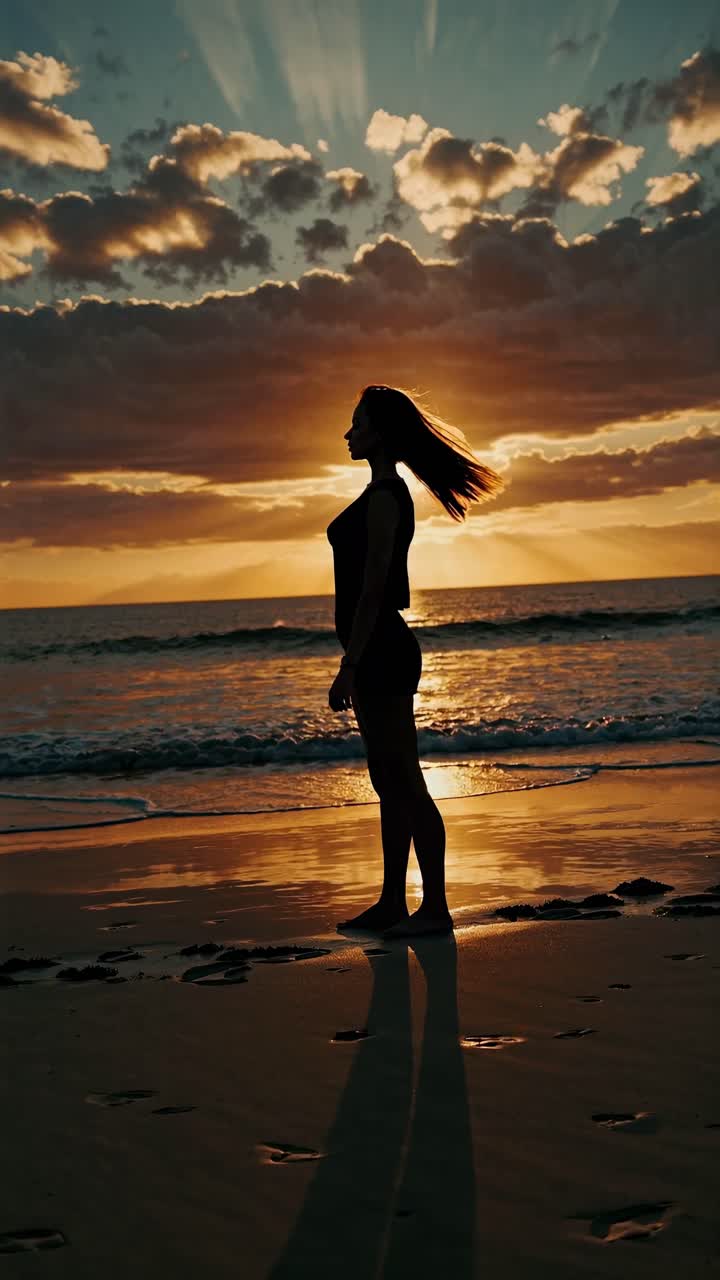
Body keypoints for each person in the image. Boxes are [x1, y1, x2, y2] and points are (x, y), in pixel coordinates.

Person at [327, 385, 503, 938]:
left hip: (382, 651)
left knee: (405, 780)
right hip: (378, 650)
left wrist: (350, 664)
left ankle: (435, 909)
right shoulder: (382, 492)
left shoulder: (385, 496)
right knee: (388, 781)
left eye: (356, 423)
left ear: (379, 431)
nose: (348, 432)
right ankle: (391, 903)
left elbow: (374, 588)